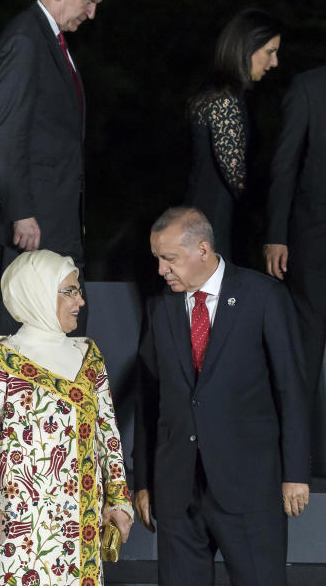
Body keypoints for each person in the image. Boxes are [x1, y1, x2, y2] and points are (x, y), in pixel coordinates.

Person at [134, 207, 309, 586]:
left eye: (169, 259)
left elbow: (291, 388)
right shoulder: (159, 306)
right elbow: (149, 399)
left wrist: (295, 473)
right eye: (157, 259)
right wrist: (144, 481)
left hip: (249, 488)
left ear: (202, 249)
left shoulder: (263, 296)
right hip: (178, 491)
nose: (161, 270)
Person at [0, 249, 132, 586]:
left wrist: (119, 499)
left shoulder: (87, 356)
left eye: (78, 290)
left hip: (79, 527)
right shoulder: (2, 355)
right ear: (36, 291)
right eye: (69, 291)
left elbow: (108, 433)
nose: (80, 300)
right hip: (12, 523)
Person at [0, 0, 106, 336]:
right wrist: (21, 210)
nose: (91, 14)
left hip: (55, 218)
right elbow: (4, 132)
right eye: (88, 1)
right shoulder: (25, 39)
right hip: (32, 224)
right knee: (28, 329)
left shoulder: (50, 40)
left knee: (64, 329)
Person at [265, 65, 326, 476]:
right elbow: (284, 165)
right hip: (314, 243)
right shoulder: (309, 86)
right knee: (305, 353)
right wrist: (276, 235)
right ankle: (296, 462)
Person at [186, 8, 283, 263]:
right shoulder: (225, 100)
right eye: (270, 52)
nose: (274, 63)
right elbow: (237, 178)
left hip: (205, 223)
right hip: (215, 226)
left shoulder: (218, 94)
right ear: (247, 48)